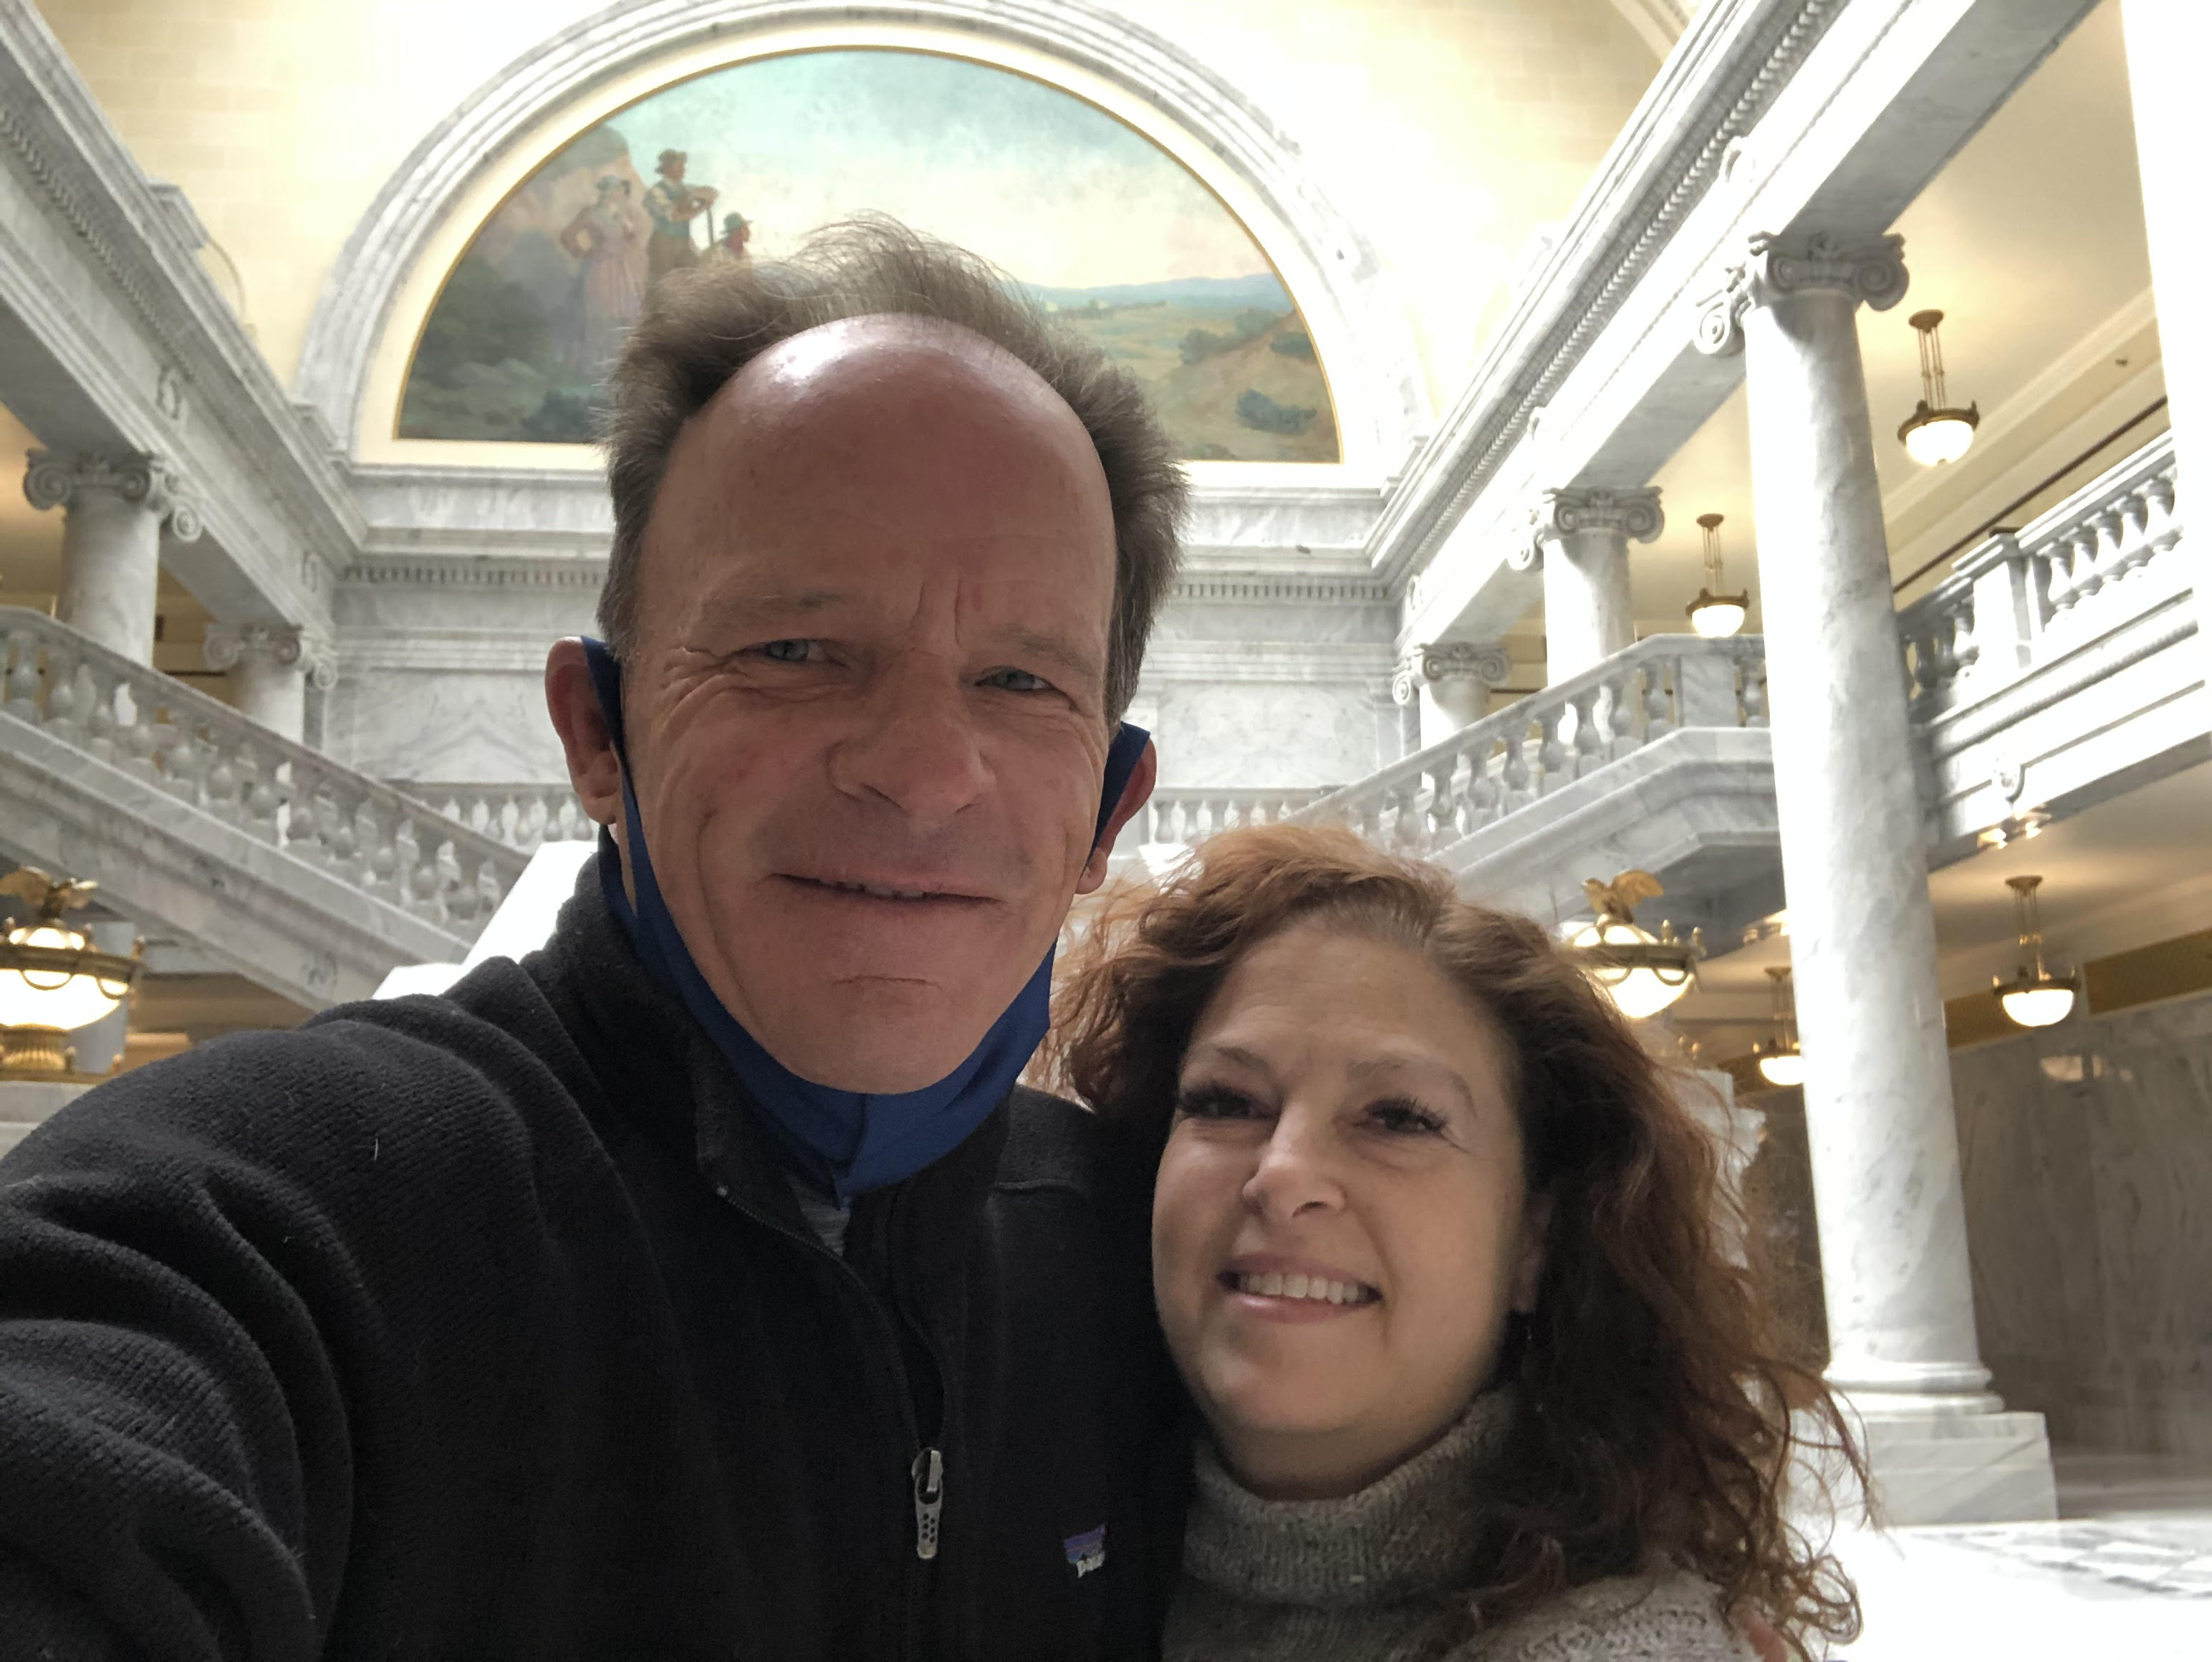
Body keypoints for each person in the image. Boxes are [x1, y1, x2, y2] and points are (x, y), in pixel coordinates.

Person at [0, 219, 1190, 1658]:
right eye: (794, 651)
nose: (921, 767)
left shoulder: (1149, 1266)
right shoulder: (276, 1210)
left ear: (1107, 808)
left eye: (1017, 678)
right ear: (597, 734)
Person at [1047, 825, 1864, 1662]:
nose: (1283, 1174)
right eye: (1224, 1101)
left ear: (1534, 1240)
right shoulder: (1033, 1558)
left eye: (1398, 1117)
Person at [554, 175, 645, 377]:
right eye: (618, 190)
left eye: (621, 191)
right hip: (601, 268)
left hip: (621, 269)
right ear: (608, 191)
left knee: (625, 313)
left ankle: (620, 364)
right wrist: (581, 252)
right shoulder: (591, 213)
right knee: (600, 312)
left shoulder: (620, 214)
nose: (621, 194)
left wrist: (627, 225)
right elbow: (567, 236)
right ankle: (595, 367)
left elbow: (632, 239)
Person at [643, 148, 717, 284]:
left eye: (683, 166)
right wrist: (698, 204)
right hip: (663, 245)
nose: (683, 170)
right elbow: (675, 215)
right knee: (664, 284)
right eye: (679, 166)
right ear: (667, 168)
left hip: (683, 244)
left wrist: (700, 198)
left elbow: (712, 192)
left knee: (696, 277)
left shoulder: (686, 188)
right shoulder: (655, 192)